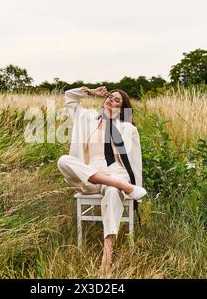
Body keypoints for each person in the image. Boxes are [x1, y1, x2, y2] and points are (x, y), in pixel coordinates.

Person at [57, 86, 147, 274]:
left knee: (113, 191)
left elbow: (136, 162)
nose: (110, 100)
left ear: (123, 109)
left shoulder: (127, 128)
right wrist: (90, 92)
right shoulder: (87, 118)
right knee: (63, 160)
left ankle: (107, 259)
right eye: (109, 97)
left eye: (116, 100)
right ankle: (122, 187)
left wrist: (136, 189)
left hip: (116, 170)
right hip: (90, 172)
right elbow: (70, 96)